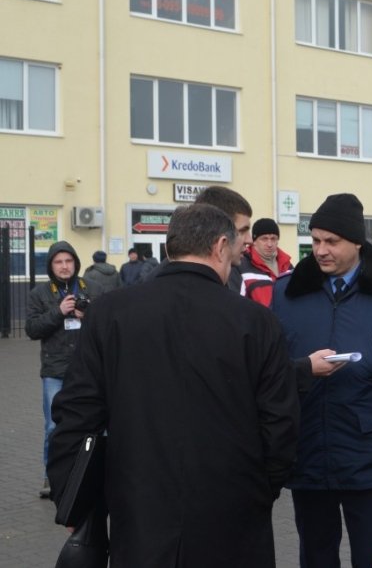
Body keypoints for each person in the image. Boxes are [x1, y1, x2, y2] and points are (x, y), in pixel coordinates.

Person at [47, 204, 300, 567]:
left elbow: (75, 412)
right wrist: (261, 489)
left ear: (169, 248)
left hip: (139, 511)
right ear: (220, 246)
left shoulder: (109, 313)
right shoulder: (256, 321)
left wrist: (71, 497)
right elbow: (280, 423)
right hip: (233, 514)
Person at [271, 193, 372, 568]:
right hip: (309, 452)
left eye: (331, 241)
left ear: (357, 242)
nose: (321, 250)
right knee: (315, 557)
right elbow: (270, 363)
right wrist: (301, 367)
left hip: (368, 455)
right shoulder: (287, 291)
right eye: (315, 240)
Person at [25, 241, 104, 499]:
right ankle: (51, 477)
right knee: (52, 427)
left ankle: (93, 472)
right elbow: (32, 329)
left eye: (68, 261)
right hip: (55, 371)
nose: (64, 266)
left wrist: (89, 316)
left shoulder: (93, 288)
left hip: (88, 369)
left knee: (96, 423)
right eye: (58, 262)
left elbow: (108, 325)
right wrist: (59, 311)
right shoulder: (39, 294)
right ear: (51, 266)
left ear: (76, 263)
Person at [240, 217, 294, 306]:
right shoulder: (241, 265)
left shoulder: (288, 266)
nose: (269, 244)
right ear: (254, 241)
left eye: (273, 239)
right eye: (264, 239)